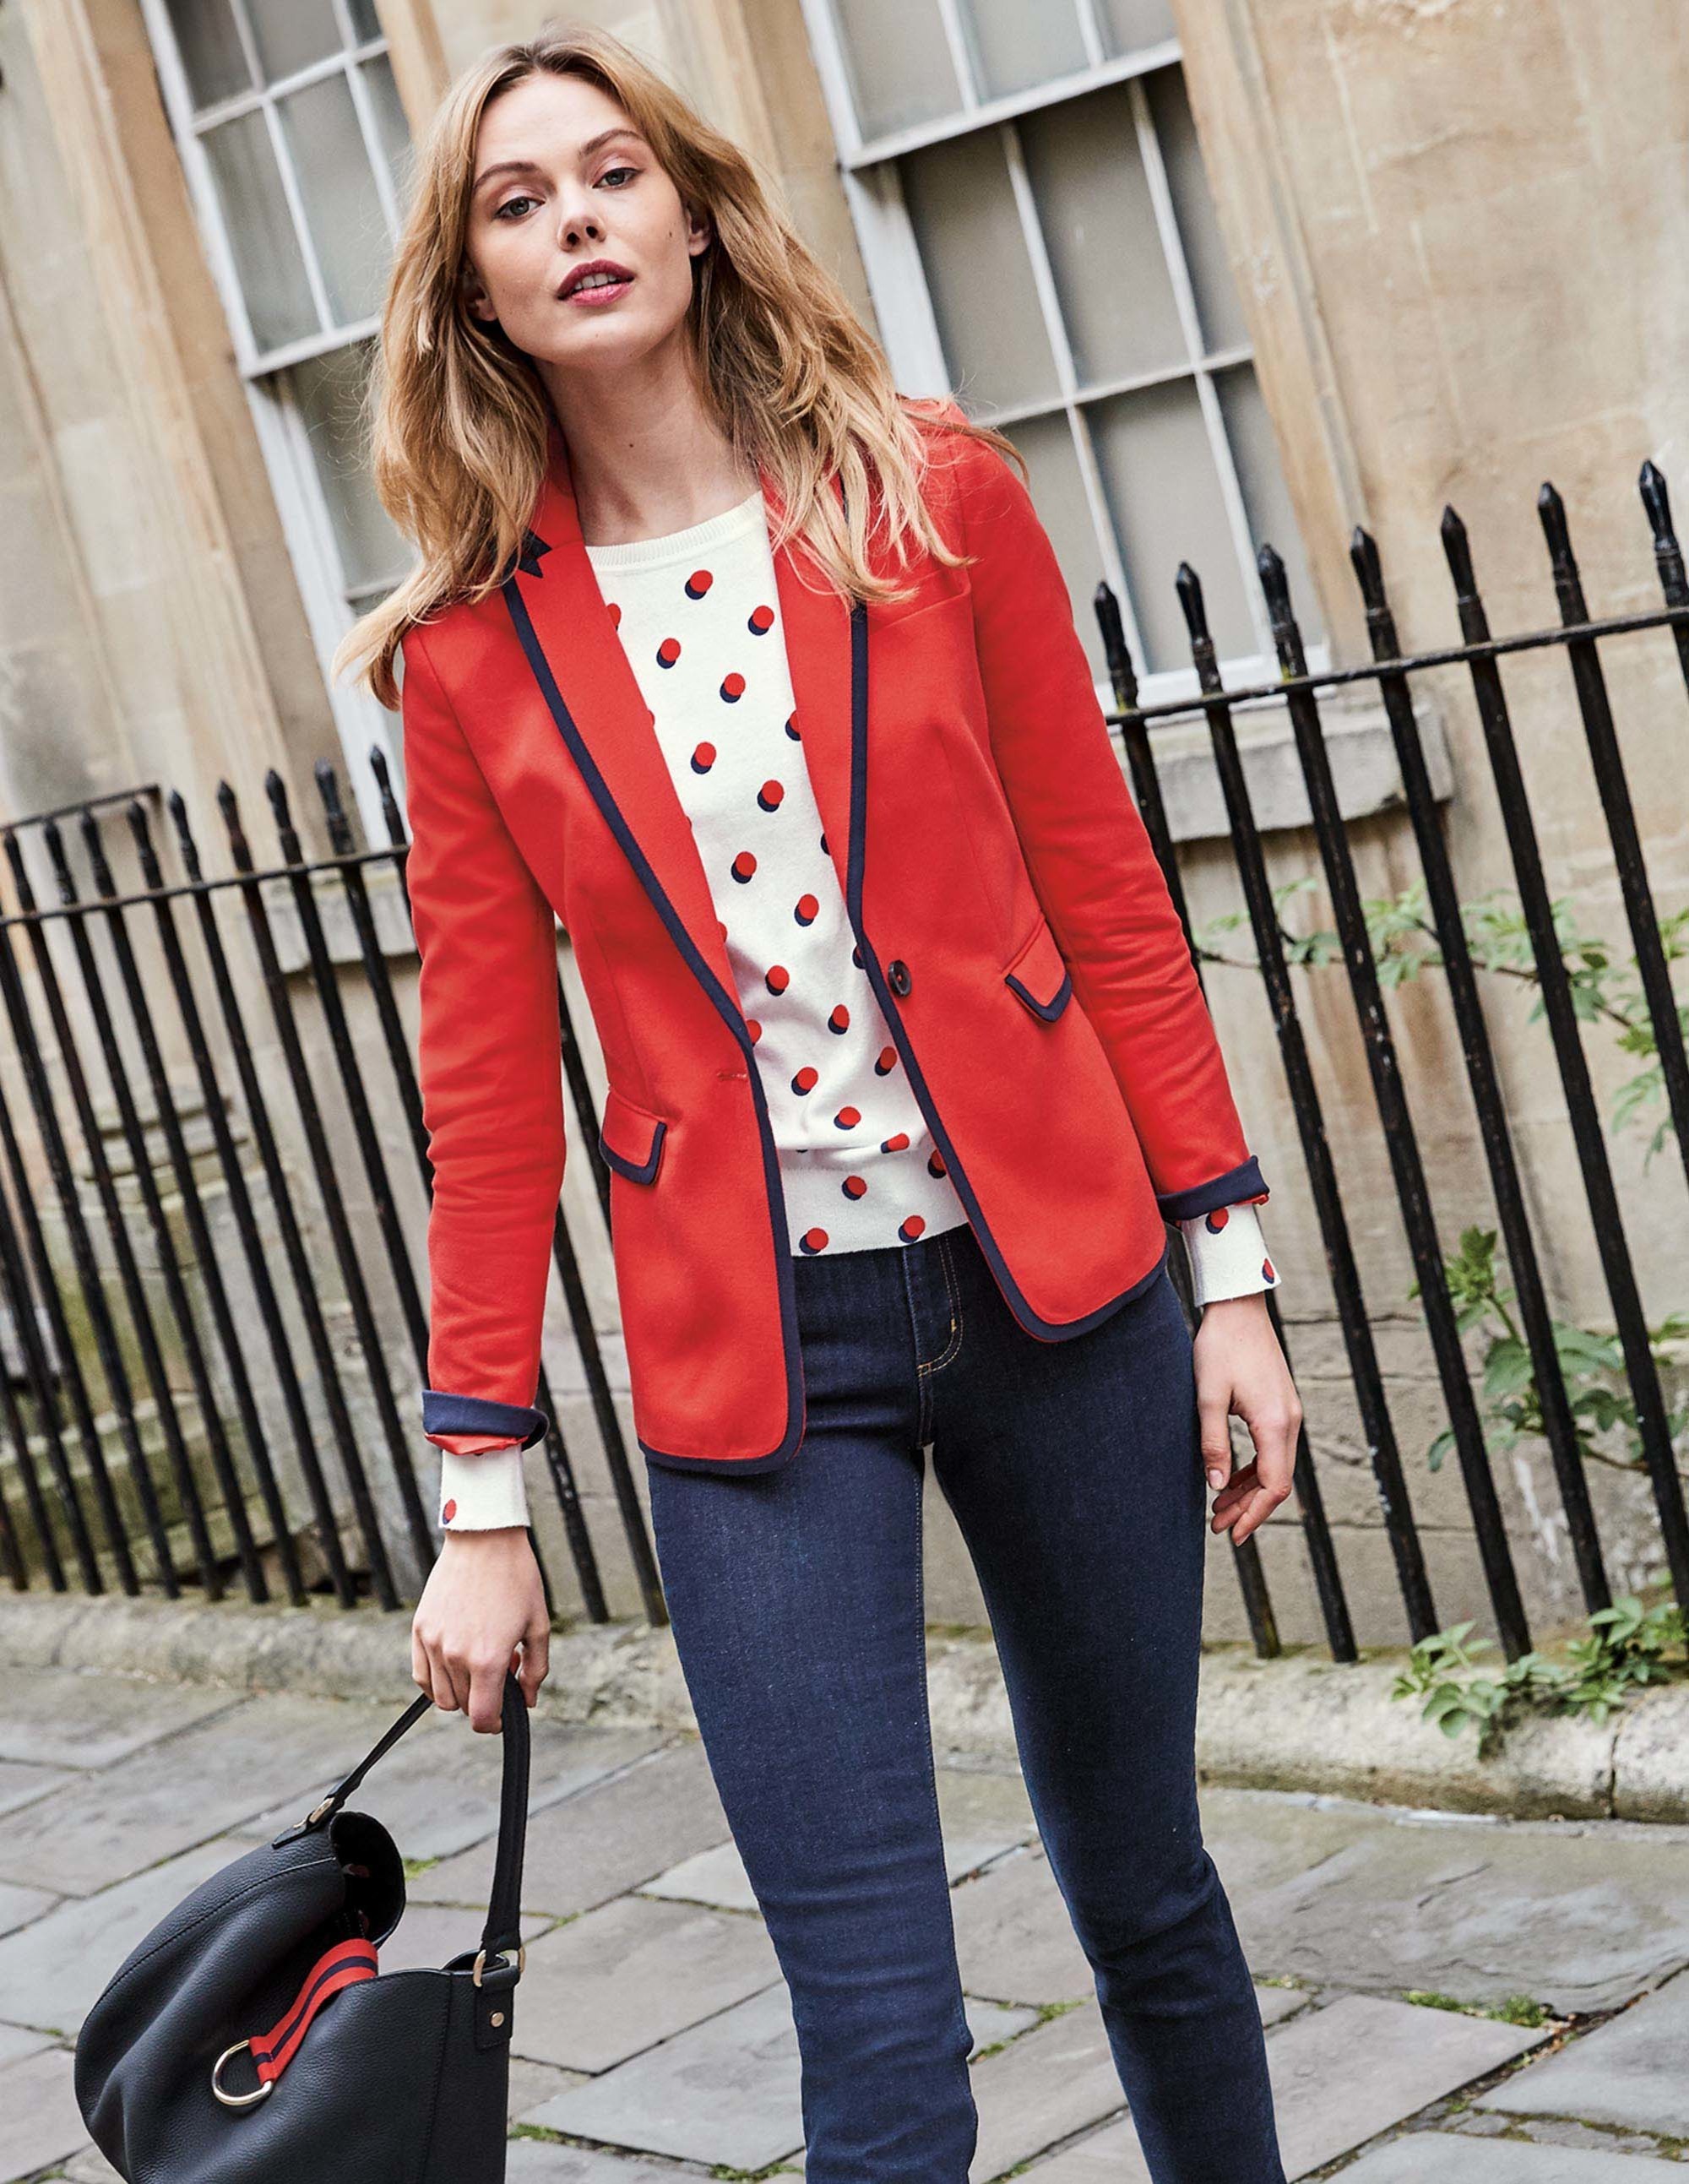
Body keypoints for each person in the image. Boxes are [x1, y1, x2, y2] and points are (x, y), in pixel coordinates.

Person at [339, 23, 1301, 2181]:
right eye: (517, 203)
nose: (578, 222)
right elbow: (484, 1096)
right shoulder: (469, 657)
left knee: (1148, 1894)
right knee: (873, 2018)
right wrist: (481, 1492)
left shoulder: (927, 494)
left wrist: (1227, 1271)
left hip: (1060, 1295)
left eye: (612, 174)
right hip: (761, 1361)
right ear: (475, 289)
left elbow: (1106, 893)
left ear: (691, 212)